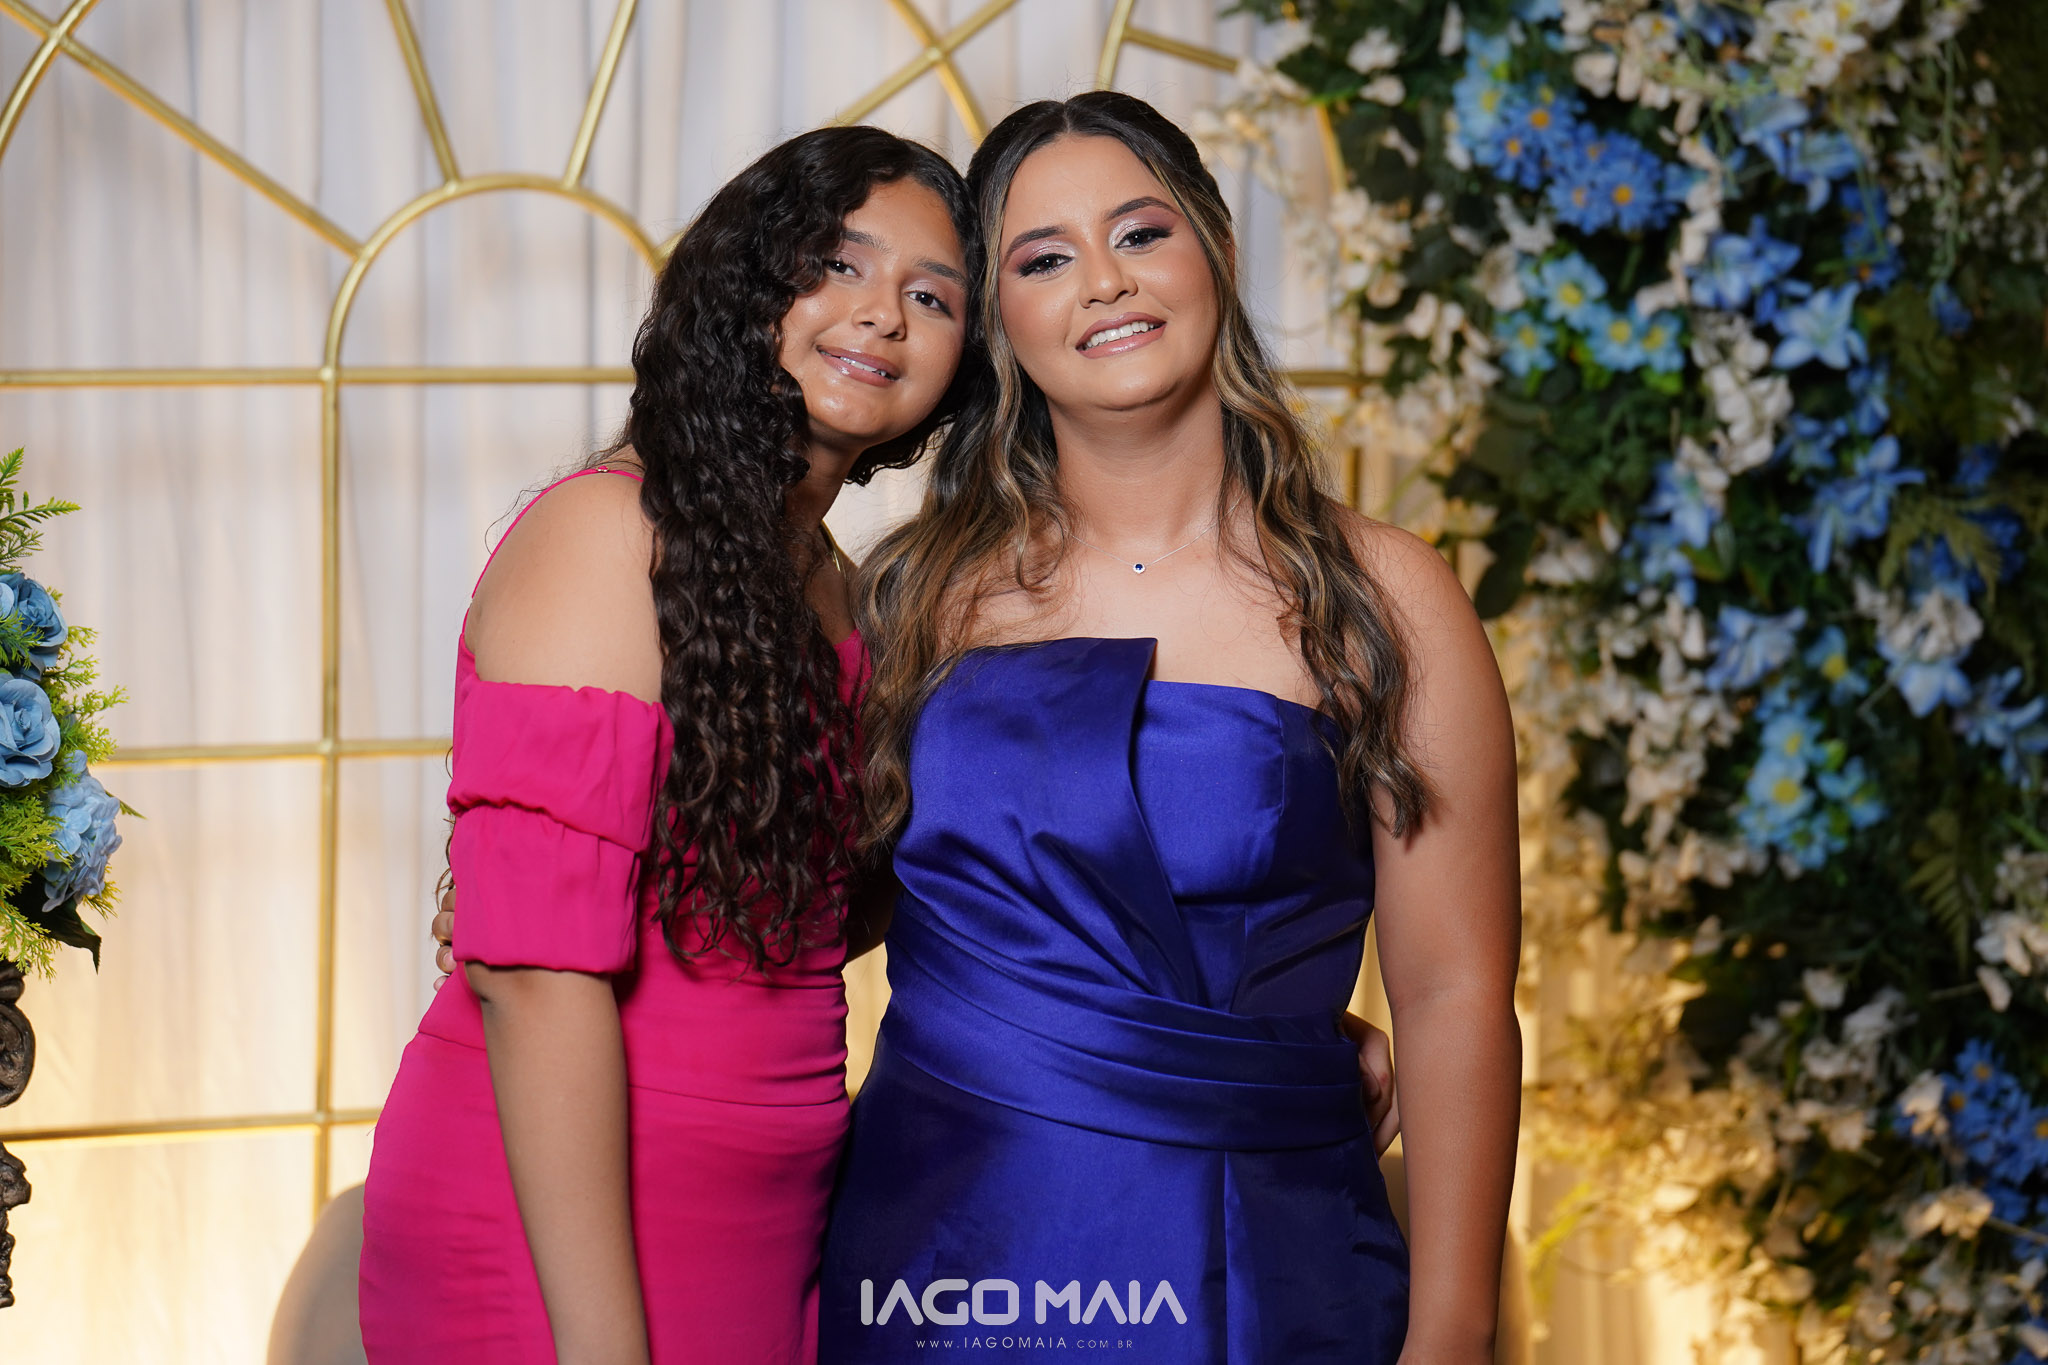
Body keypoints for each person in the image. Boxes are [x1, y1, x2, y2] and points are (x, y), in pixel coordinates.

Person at [817, 92, 1522, 1364]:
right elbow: (825, 907)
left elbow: (1453, 990)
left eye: (1139, 233)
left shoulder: (1383, 596)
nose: (1103, 282)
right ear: (996, 322)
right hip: (936, 1266)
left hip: (1265, 1269)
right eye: (1043, 260)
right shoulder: (911, 595)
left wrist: (1452, 1334)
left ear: (1216, 251)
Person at [358, 124, 979, 1364]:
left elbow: (813, 906)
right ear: (748, 283)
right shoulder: (609, 531)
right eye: (837, 264)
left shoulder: (840, 588)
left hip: (780, 1205)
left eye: (931, 296)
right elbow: (535, 977)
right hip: (560, 1223)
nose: (882, 314)